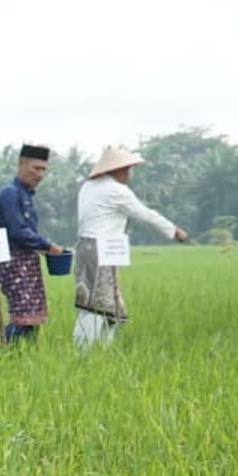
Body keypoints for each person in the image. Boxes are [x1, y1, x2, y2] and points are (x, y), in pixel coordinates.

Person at [73, 146, 189, 348]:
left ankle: (102, 351)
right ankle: (82, 353)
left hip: (87, 247)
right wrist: (174, 231)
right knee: (95, 307)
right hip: (100, 249)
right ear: (114, 169)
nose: (129, 173)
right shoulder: (116, 190)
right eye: (126, 168)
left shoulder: (88, 186)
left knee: (106, 305)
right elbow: (145, 214)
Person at [0, 144, 66, 344]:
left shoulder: (26, 194)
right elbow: (20, 232)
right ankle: (5, 355)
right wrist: (48, 246)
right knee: (21, 315)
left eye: (44, 170)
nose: (40, 174)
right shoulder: (10, 193)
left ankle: (27, 358)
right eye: (36, 168)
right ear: (21, 164)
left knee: (33, 315)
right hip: (14, 260)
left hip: (28, 261)